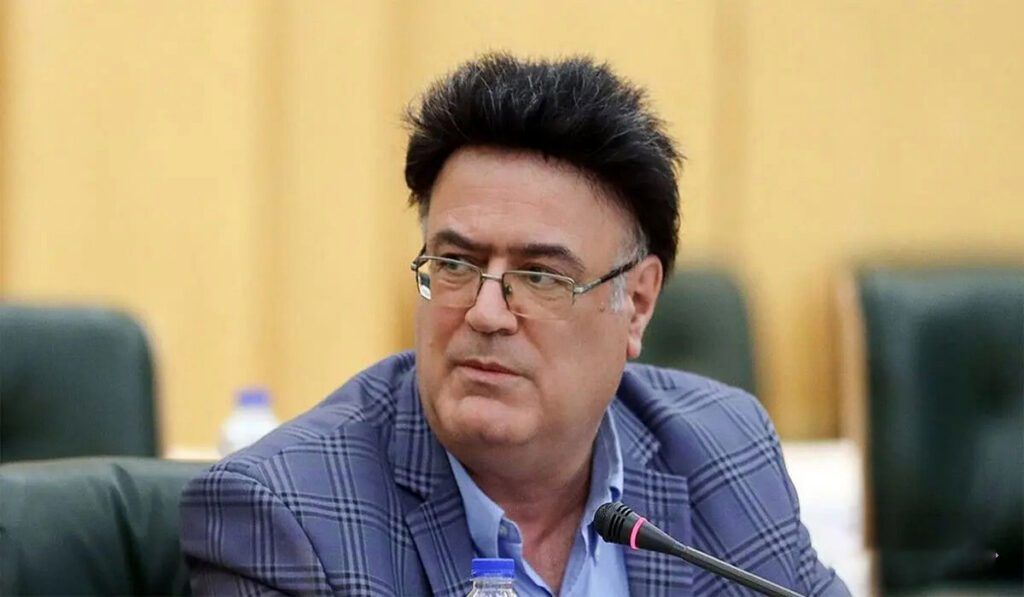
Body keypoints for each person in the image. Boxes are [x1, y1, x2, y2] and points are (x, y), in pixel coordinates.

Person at [180, 53, 850, 597]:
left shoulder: (724, 451)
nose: (485, 312)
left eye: (540, 276)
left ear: (639, 303)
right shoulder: (290, 514)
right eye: (455, 264)